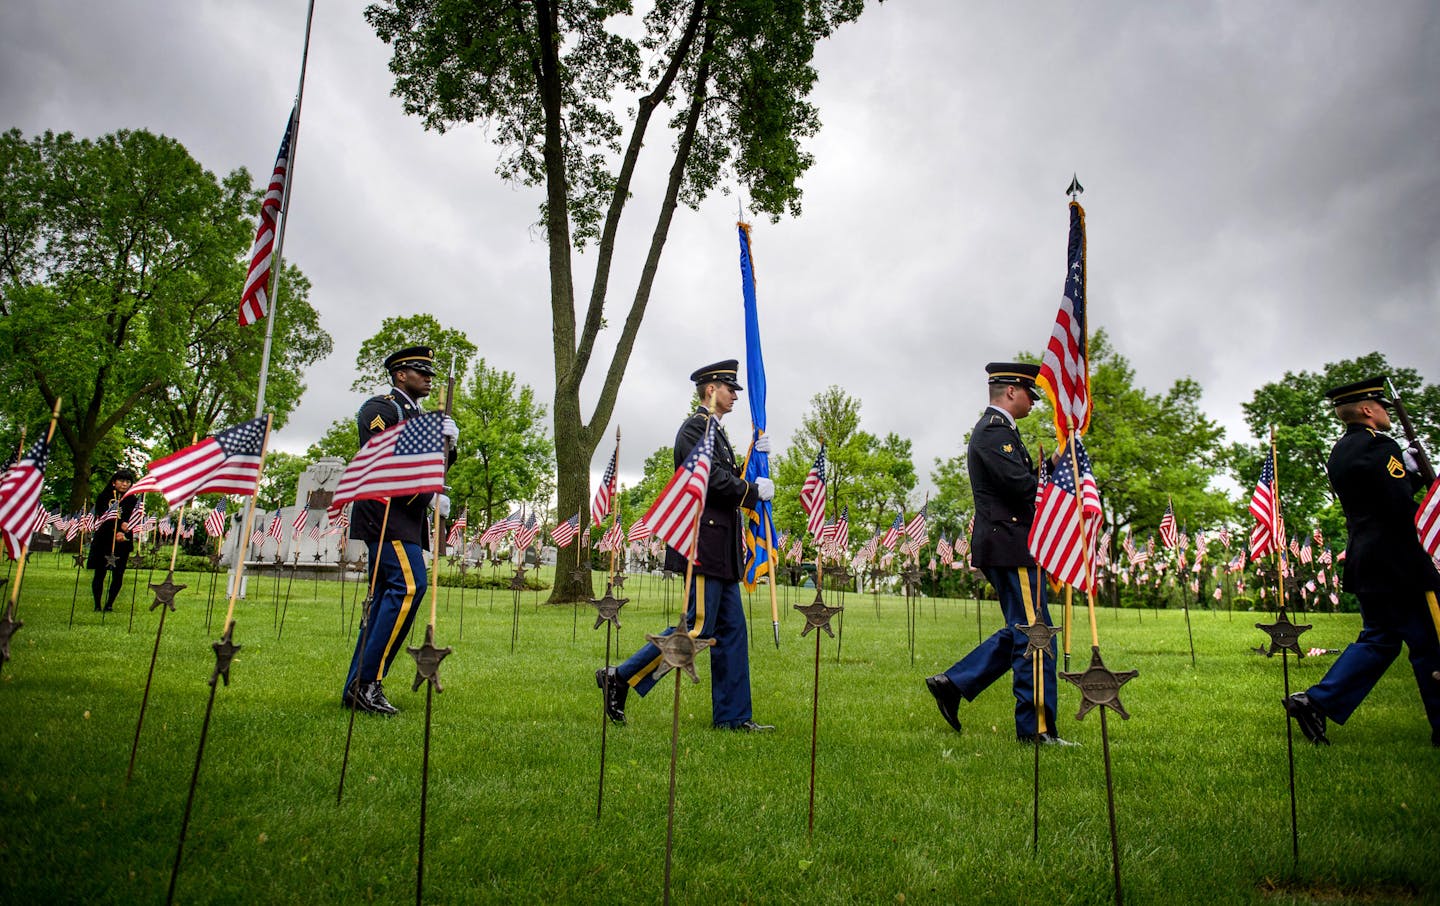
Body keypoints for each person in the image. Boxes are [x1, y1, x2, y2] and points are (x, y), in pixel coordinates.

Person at [598, 360, 776, 731]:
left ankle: (732, 717)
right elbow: (710, 479)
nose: (735, 396)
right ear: (711, 389)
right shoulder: (696, 428)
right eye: (730, 389)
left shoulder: (715, 431)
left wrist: (754, 458)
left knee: (731, 632)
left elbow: (727, 474)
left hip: (721, 550)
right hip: (702, 546)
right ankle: (620, 677)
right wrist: (752, 490)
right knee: (695, 629)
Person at [1283, 377, 1440, 746]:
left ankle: (1315, 701)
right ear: (1368, 410)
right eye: (1381, 406)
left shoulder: (1341, 451)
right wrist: (1416, 474)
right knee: (1431, 643)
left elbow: (1375, 494)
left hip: (1367, 561)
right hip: (1400, 562)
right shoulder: (1380, 446)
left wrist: (1410, 474)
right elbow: (1396, 502)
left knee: (1380, 640)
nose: (1386, 413)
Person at [925, 363, 1068, 744]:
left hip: (1011, 545)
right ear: (1009, 392)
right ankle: (1036, 731)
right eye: (1028, 394)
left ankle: (953, 684)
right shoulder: (993, 432)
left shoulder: (1003, 432)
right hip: (1011, 547)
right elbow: (1023, 490)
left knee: (1023, 629)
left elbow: (1025, 483)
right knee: (1035, 635)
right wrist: (1057, 480)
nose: (1033, 402)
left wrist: (1055, 462)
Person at [342, 345, 459, 715]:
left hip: (403, 520)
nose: (427, 377)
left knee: (385, 602)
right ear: (399, 375)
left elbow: (427, 465)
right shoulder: (381, 409)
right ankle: (367, 683)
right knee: (408, 586)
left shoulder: (418, 416)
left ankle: (360, 684)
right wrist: (427, 497)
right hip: (385, 516)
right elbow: (383, 462)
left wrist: (447, 447)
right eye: (419, 371)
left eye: (429, 372)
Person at [87, 468, 139, 612]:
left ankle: (109, 604)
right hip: (104, 539)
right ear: (114, 482)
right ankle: (97, 604)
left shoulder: (133, 499)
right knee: (100, 573)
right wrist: (118, 526)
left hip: (123, 540)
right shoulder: (104, 496)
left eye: (128, 481)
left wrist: (124, 529)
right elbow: (102, 515)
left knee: (118, 574)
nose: (124, 484)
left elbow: (134, 517)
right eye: (121, 481)